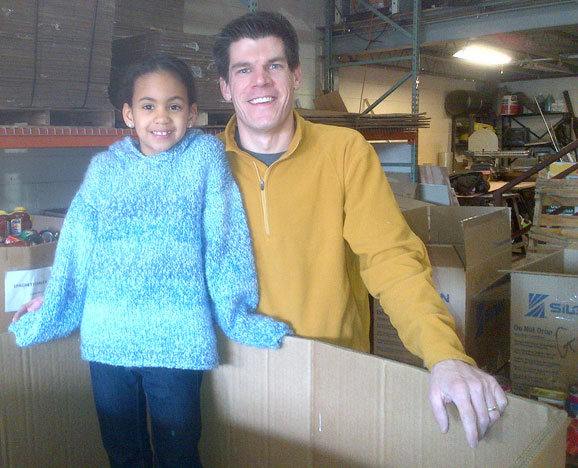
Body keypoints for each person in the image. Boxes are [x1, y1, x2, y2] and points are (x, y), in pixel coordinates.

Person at [212, 11, 507, 449]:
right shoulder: (204, 166)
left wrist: (444, 354)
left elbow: (390, 259)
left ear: (295, 76)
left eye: (274, 65)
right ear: (225, 86)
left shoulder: (344, 152)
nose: (260, 81)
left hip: (335, 372)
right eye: (243, 70)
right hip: (235, 376)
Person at [9, 52, 292, 468]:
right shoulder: (104, 169)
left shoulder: (204, 159)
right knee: (122, 452)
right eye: (148, 106)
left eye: (174, 106)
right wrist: (54, 303)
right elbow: (77, 247)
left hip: (177, 338)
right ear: (129, 114)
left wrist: (236, 315)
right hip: (109, 335)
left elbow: (225, 241)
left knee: (179, 452)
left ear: (192, 112)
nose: (161, 117)